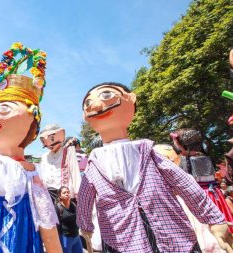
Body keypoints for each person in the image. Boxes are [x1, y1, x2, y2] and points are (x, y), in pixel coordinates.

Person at [77, 82, 233, 253]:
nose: (95, 105)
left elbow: (184, 183)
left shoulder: (148, 152)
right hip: (120, 237)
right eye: (88, 104)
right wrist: (85, 228)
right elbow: (85, 198)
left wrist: (214, 219)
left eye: (107, 95)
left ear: (130, 99)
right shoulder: (94, 164)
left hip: (170, 231)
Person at [0, 42, 61, 253]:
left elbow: (47, 222)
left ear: (32, 124)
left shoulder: (30, 174)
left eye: (4, 109)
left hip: (16, 239)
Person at [38, 125, 81, 202]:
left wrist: (79, 194)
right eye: (44, 142)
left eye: (51, 139)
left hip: (67, 195)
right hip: (49, 195)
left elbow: (75, 172)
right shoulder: (44, 156)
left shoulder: (68, 151)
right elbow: (43, 176)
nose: (49, 145)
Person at [55, 186, 83, 253]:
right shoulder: (58, 208)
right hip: (65, 238)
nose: (67, 194)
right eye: (64, 193)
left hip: (76, 237)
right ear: (60, 196)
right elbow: (55, 225)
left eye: (68, 192)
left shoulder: (73, 205)